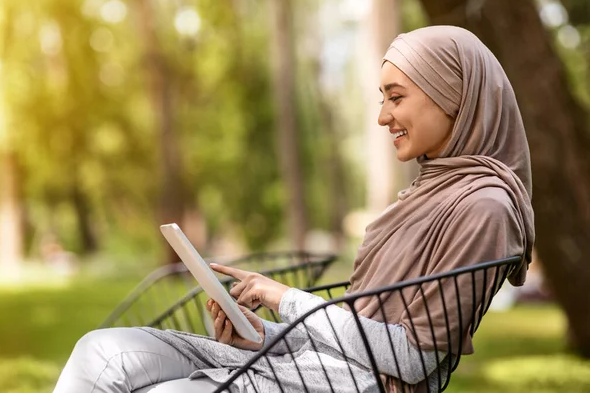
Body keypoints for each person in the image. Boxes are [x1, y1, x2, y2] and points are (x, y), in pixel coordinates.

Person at [53, 25, 534, 393]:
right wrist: (262, 335)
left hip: (348, 386)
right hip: (307, 366)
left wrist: (284, 299)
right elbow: (361, 333)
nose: (383, 115)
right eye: (382, 98)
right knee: (100, 350)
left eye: (396, 97)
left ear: (452, 95)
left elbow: (411, 362)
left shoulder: (485, 207)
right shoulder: (430, 192)